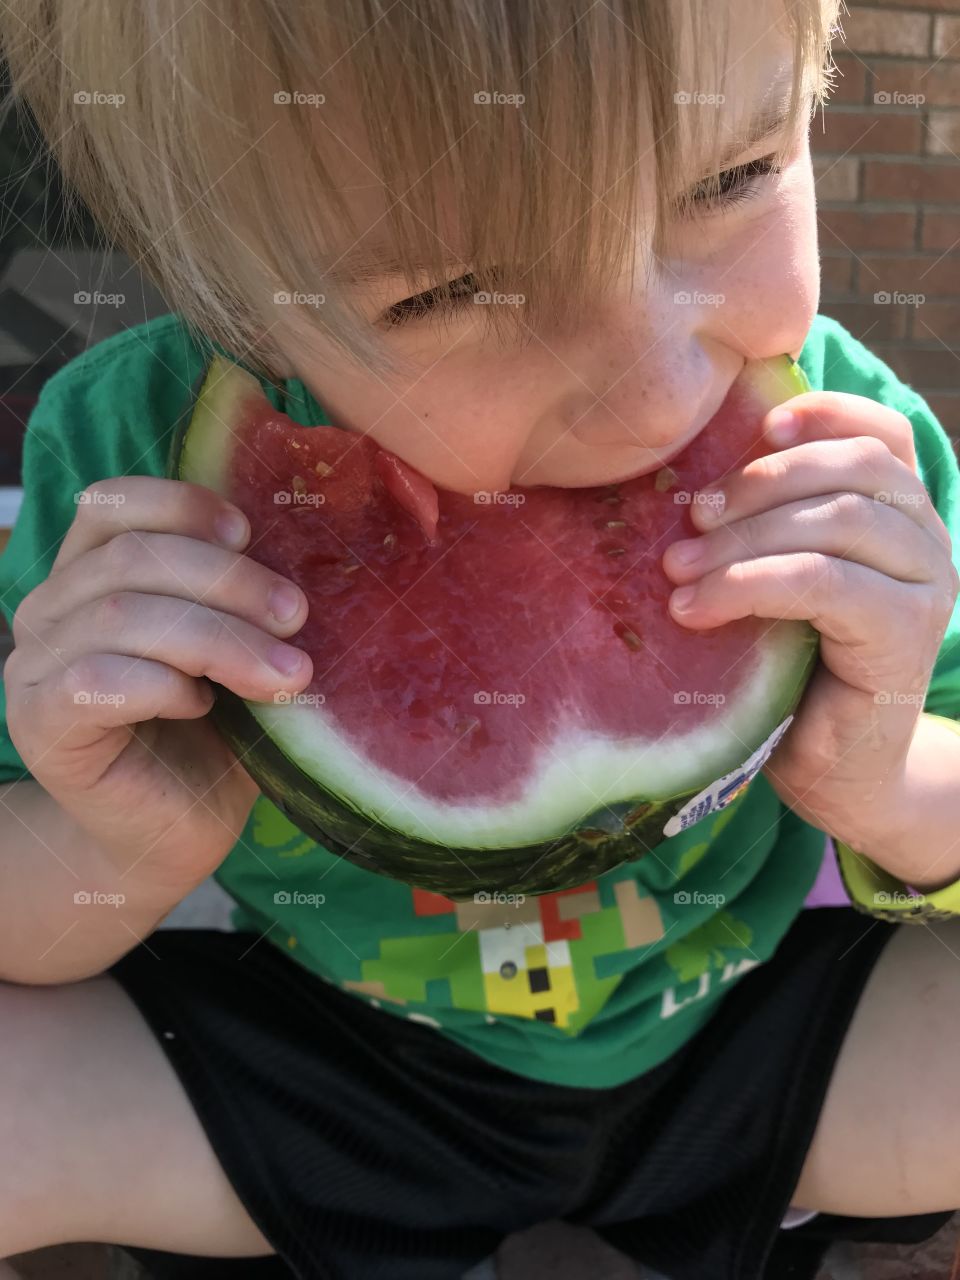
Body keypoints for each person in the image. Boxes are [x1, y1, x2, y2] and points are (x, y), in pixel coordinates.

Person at [0, 3, 958, 1279]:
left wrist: (885, 777)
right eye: (452, 292)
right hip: (337, 1063)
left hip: (751, 1042)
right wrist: (117, 841)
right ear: (232, 307)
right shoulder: (130, 466)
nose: (660, 390)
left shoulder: (848, 459)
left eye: (734, 176)